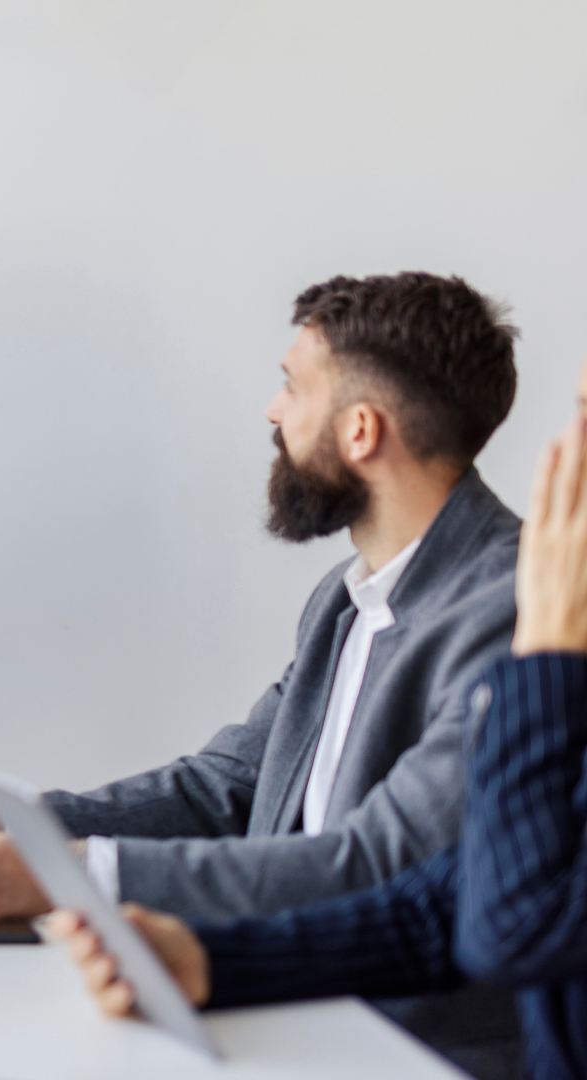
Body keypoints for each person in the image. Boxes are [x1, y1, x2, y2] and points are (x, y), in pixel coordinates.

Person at [49, 356, 587, 1080]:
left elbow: (511, 927)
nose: (568, 453)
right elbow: (441, 901)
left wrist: (547, 665)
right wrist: (209, 960)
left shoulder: (519, 612)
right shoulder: (343, 597)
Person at [0, 272, 521, 925]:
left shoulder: (512, 613)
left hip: (389, 1023)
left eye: (294, 387)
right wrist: (5, 827)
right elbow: (227, 786)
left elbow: (378, 863)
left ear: (360, 431)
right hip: (289, 982)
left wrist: (72, 874)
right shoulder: (345, 599)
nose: (274, 409)